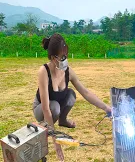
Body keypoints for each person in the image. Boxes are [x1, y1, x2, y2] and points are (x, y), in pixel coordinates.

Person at [32, 33, 112, 161]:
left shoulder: (67, 71)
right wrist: (56, 142)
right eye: (62, 57)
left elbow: (85, 92)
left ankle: (62, 120)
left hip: (55, 105)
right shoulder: (44, 71)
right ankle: (45, 125)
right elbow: (46, 108)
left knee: (71, 94)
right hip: (42, 108)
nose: (65, 59)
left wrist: (107, 108)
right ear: (53, 58)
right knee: (55, 107)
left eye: (66, 56)